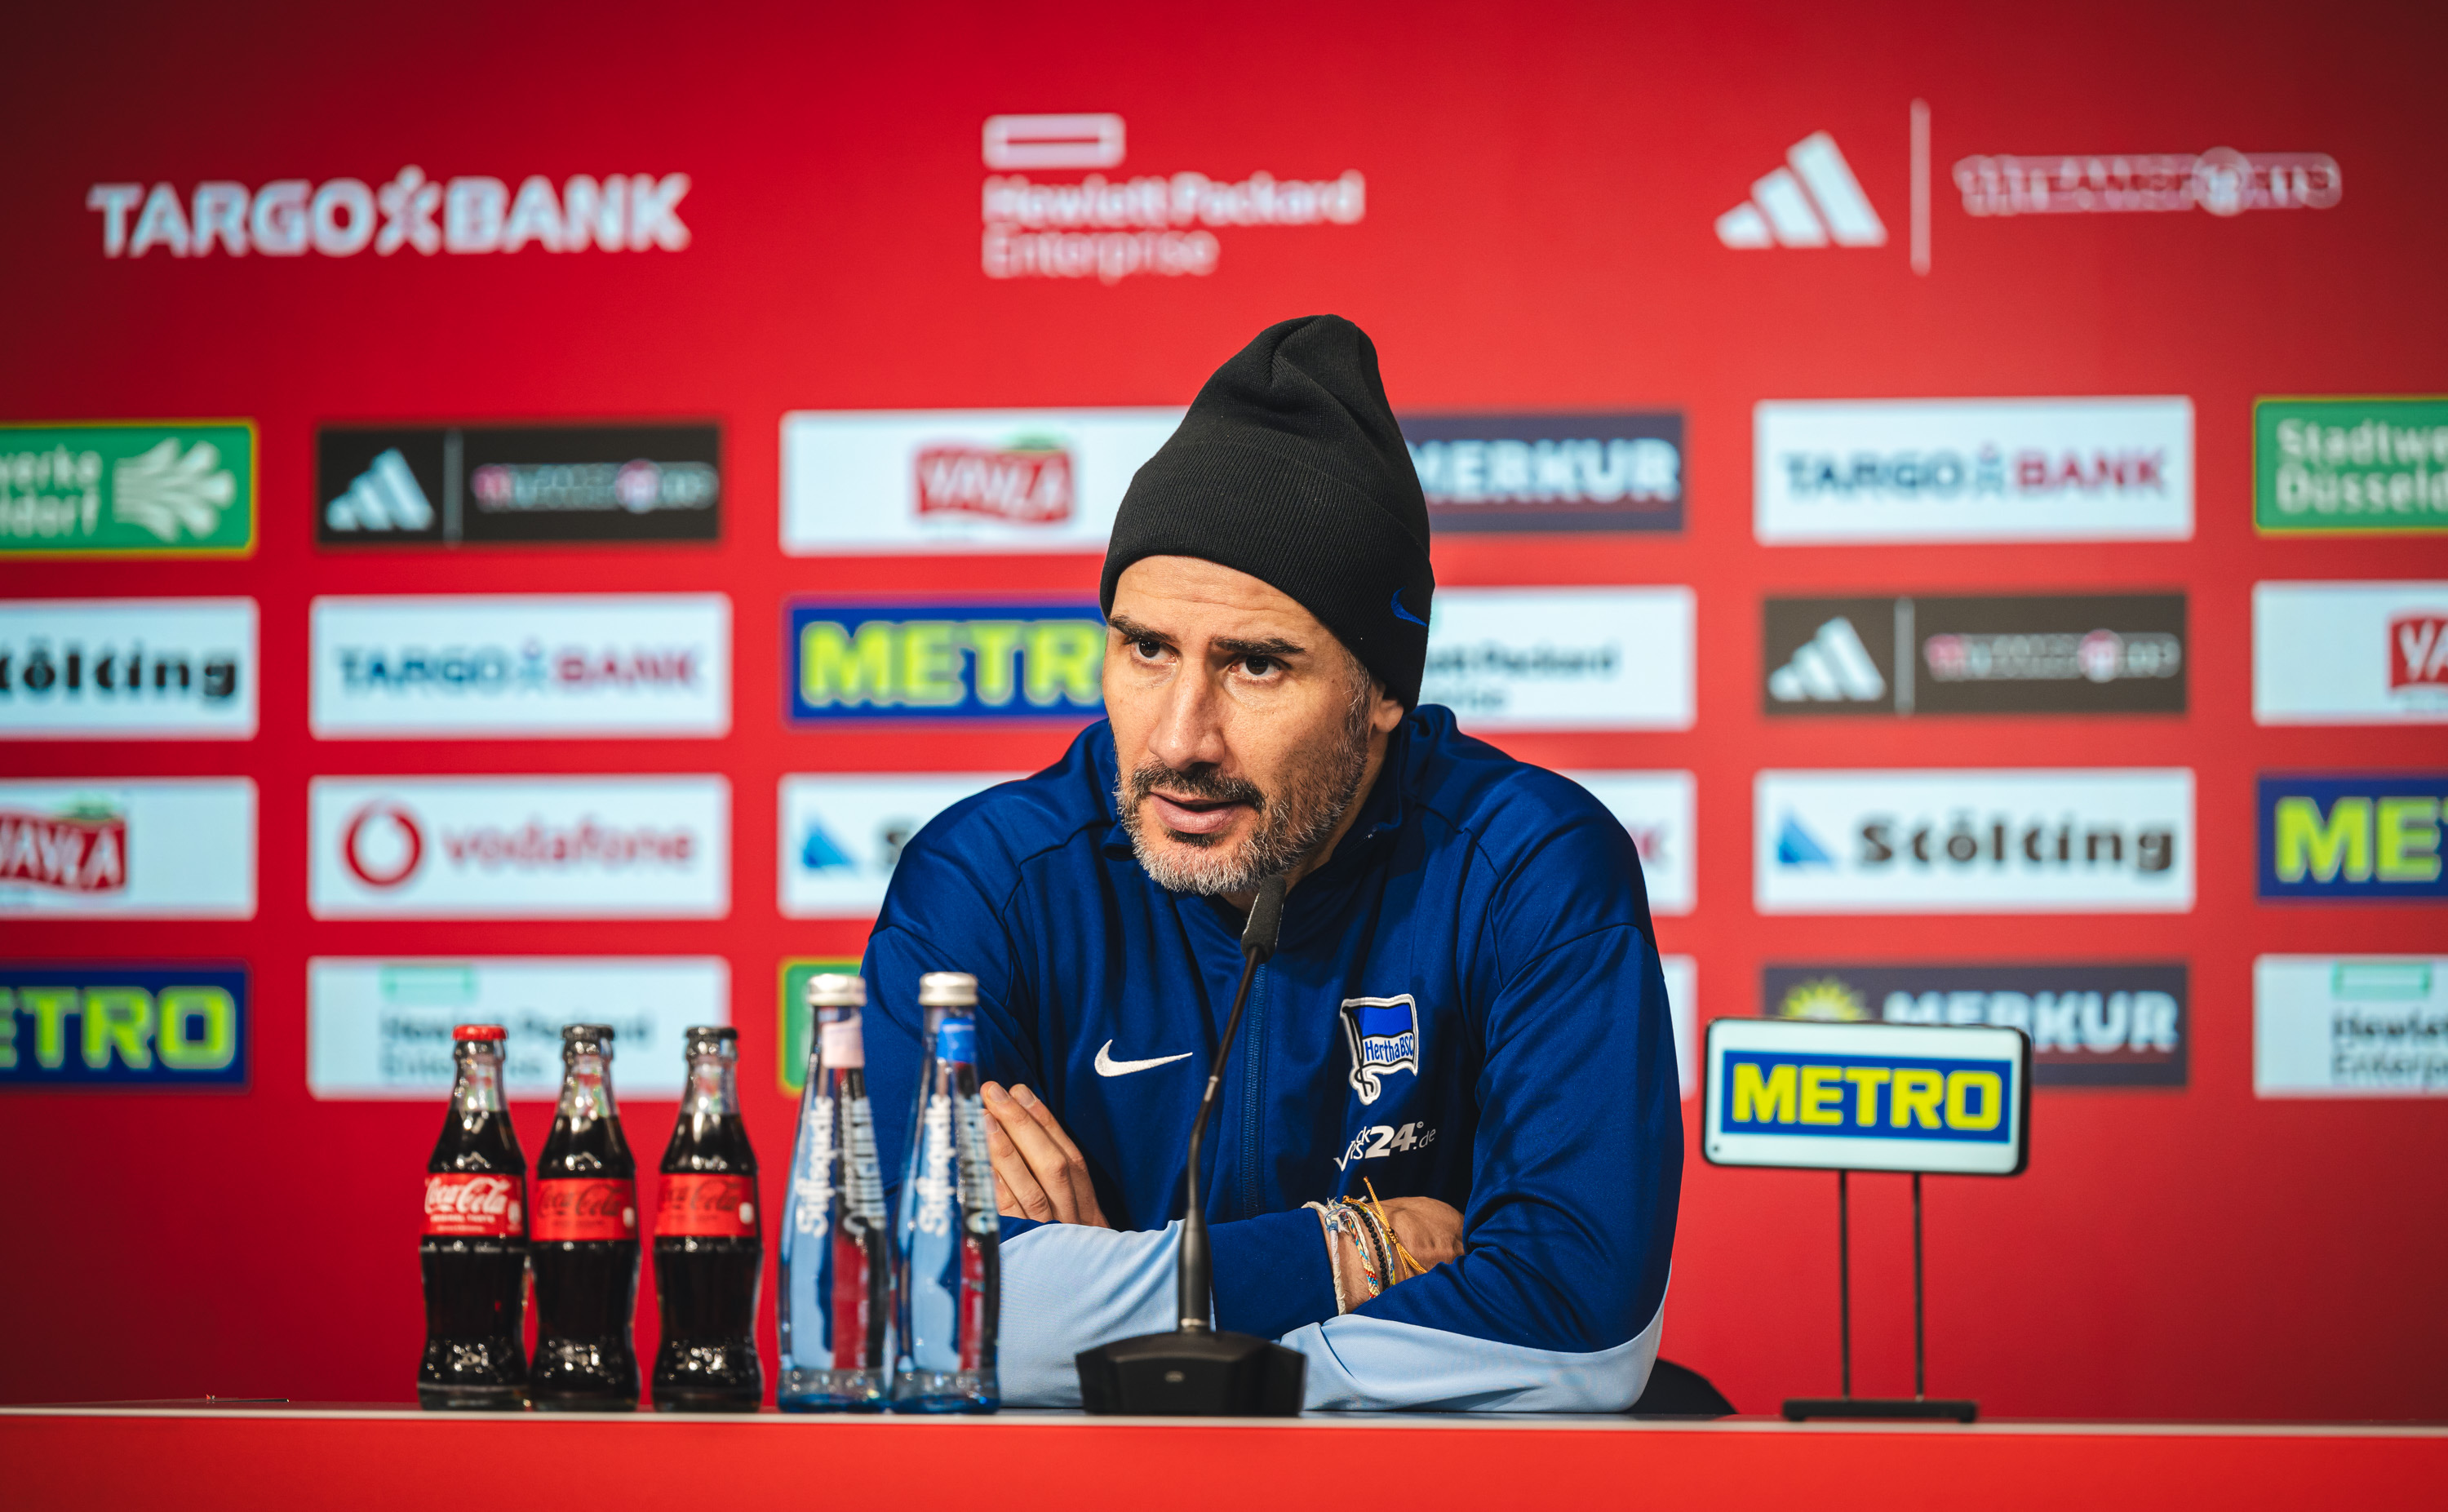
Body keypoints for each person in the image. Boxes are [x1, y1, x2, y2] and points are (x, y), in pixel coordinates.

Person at [860, 314, 1681, 1409]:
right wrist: (1346, 1252)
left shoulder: (1527, 871)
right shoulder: (992, 884)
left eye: (1255, 664)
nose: (1178, 739)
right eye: (1146, 648)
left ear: (1383, 691)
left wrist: (1122, 1331)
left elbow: (1582, 1325)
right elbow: (888, 1307)